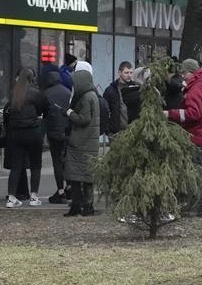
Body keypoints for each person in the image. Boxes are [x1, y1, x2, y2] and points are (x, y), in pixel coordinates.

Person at [164, 58, 202, 217]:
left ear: (191, 71)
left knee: (195, 173)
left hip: (197, 135)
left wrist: (170, 114)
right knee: (200, 172)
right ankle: (201, 208)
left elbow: (193, 114)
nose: (182, 77)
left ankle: (195, 207)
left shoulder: (196, 88)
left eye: (184, 73)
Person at [4, 68, 49, 208]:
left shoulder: (14, 93)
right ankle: (34, 196)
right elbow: (44, 109)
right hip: (33, 131)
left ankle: (11, 197)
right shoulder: (36, 93)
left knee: (16, 165)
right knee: (36, 164)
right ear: (32, 78)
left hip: (16, 133)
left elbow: (8, 112)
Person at [64, 68, 100, 216]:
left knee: (77, 177)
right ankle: (86, 206)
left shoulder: (86, 98)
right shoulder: (92, 96)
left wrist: (70, 113)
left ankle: (78, 206)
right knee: (86, 177)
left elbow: (84, 119)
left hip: (81, 142)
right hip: (88, 142)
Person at [41, 63, 72, 204]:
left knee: (57, 162)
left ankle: (60, 191)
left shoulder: (45, 94)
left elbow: (43, 114)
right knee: (67, 161)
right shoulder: (67, 92)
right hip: (67, 131)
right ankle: (70, 187)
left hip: (53, 132)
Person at [103, 61, 142, 134]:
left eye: (131, 73)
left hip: (133, 131)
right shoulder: (111, 90)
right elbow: (104, 110)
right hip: (116, 132)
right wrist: (108, 128)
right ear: (119, 72)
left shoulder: (136, 88)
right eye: (126, 73)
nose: (129, 75)